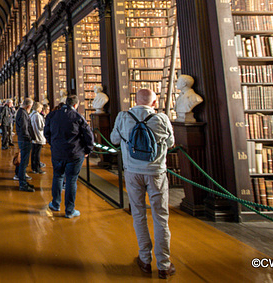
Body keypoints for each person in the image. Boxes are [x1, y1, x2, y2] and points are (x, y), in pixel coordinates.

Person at [110, 89, 176, 279]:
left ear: (135, 100)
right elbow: (171, 142)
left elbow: (114, 140)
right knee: (161, 217)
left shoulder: (123, 117)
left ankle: (145, 259)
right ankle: (164, 264)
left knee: (138, 214)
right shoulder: (162, 119)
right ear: (154, 103)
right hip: (156, 173)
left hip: (132, 172)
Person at [44, 95, 94, 218]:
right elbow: (89, 135)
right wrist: (88, 150)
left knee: (57, 177)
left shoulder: (52, 115)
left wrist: (53, 144)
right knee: (71, 180)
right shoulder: (78, 117)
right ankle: (69, 210)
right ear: (76, 105)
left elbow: (46, 133)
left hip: (57, 153)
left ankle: (55, 204)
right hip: (74, 153)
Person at [15, 98, 36, 192]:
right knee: (24, 162)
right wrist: (29, 138)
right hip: (24, 140)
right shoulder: (23, 113)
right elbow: (24, 128)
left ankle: (22, 180)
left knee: (23, 161)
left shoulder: (22, 112)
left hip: (23, 139)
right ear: (29, 106)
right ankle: (22, 184)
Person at [30, 102, 46, 174]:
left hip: (33, 136)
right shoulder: (38, 116)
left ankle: (33, 167)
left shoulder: (31, 114)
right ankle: (37, 168)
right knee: (37, 154)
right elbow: (41, 127)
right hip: (38, 136)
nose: (41, 109)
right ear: (38, 108)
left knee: (34, 153)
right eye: (41, 108)